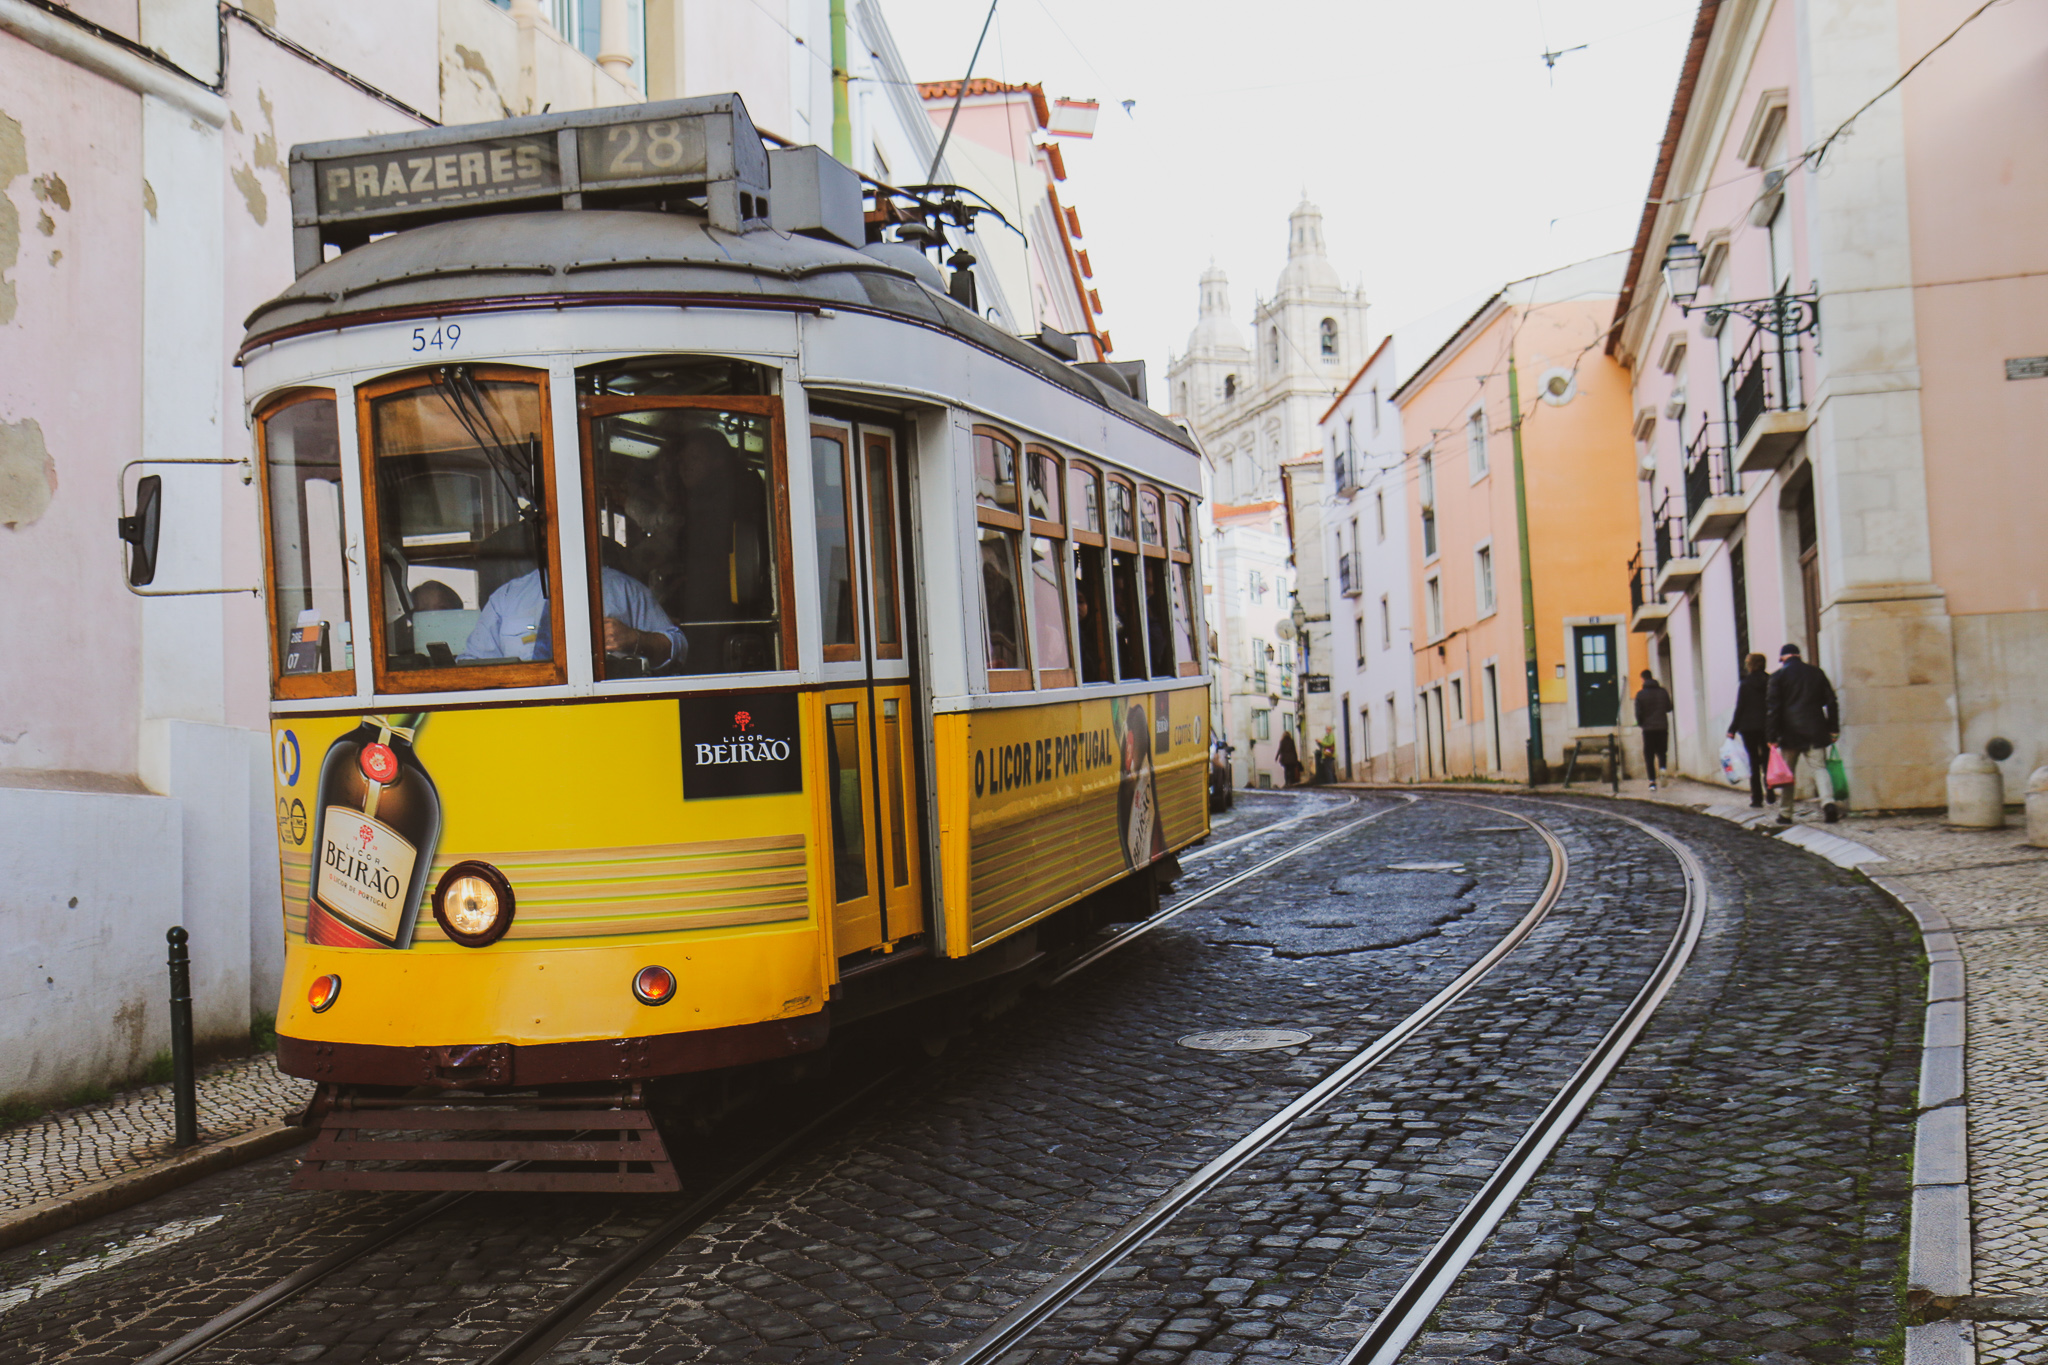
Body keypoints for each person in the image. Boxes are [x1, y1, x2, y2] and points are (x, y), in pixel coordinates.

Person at [459, 564, 686, 669]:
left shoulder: (625, 589)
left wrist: (637, 640)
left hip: (608, 716)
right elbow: (471, 666)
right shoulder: (508, 596)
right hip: (522, 723)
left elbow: (678, 646)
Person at [1765, 641, 1839, 824]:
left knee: (1787, 774)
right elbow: (1831, 702)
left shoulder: (1777, 677)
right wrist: (1833, 728)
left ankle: (1786, 813)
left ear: (1783, 658)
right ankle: (1828, 803)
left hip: (1789, 734)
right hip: (1815, 730)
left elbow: (1773, 709)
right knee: (1819, 768)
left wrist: (1771, 736)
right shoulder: (1816, 673)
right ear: (1798, 655)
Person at [1727, 652, 1770, 808]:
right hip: (1766, 726)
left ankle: (1757, 798)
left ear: (1750, 665)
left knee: (1753, 762)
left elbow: (1740, 707)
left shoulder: (1745, 683)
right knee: (1767, 759)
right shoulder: (1770, 681)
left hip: (1748, 727)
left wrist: (1732, 728)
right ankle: (1770, 789)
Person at [1634, 669, 1674, 789]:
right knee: (1662, 752)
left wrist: (1641, 723)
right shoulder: (1663, 692)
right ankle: (1662, 769)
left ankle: (1652, 782)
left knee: (1649, 755)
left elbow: (1638, 713)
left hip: (1648, 729)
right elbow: (1669, 707)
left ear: (1643, 679)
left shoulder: (1640, 695)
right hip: (1662, 726)